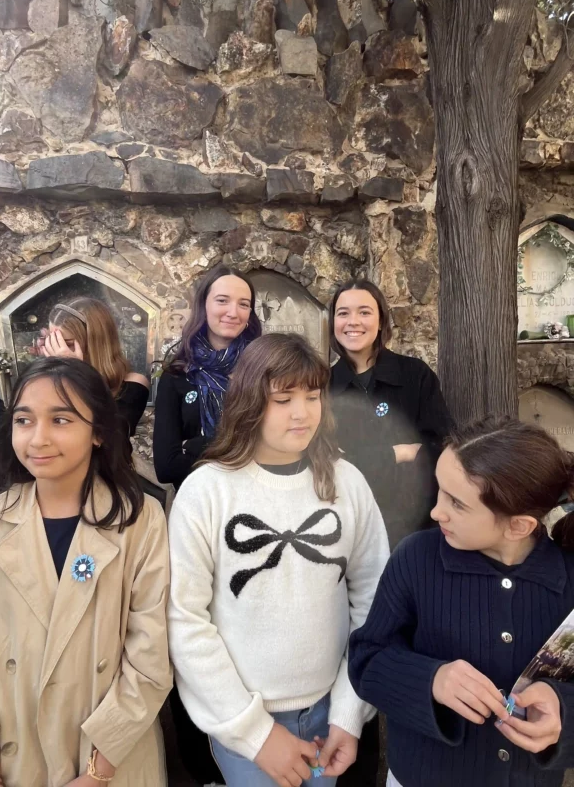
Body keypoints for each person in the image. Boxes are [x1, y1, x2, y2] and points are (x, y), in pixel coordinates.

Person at [168, 333, 390, 787]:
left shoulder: (346, 482)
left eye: (312, 396)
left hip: (331, 712)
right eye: (283, 399)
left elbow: (374, 600)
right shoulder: (207, 491)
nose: (302, 412)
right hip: (242, 724)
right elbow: (185, 618)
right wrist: (255, 734)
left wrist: (350, 712)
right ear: (249, 402)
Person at [0, 357, 172, 787]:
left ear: (98, 431)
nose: (38, 438)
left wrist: (97, 773)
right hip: (15, 758)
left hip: (112, 758)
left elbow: (150, 659)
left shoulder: (139, 521)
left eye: (60, 419)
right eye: (24, 420)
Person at [349, 417, 574, 787]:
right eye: (440, 490)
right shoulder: (416, 559)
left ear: (518, 526)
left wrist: (563, 711)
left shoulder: (566, 578)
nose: (437, 512)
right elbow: (367, 659)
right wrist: (432, 680)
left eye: (456, 503)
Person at [329, 278, 452, 551]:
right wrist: (397, 454)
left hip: (415, 527)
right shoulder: (323, 386)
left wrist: (362, 458)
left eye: (364, 312)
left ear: (381, 321)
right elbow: (329, 462)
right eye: (343, 313)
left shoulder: (415, 376)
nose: (353, 322)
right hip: (350, 529)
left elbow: (440, 447)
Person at [153, 264, 262, 490]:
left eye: (243, 304)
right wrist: (239, 442)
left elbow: (273, 448)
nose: (233, 312)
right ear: (204, 305)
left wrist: (194, 447)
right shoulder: (177, 376)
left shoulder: (263, 370)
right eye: (222, 301)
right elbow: (166, 467)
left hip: (256, 496)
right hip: (198, 500)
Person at [41, 297, 150, 438]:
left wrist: (79, 374)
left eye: (67, 344)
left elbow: (112, 437)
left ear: (95, 343)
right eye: (53, 341)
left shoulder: (134, 383)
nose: (57, 350)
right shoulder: (52, 379)